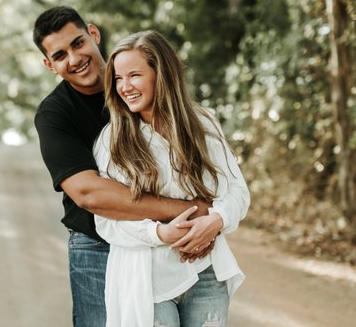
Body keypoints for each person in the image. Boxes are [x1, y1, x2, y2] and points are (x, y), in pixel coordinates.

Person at [32, 7, 213, 327]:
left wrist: (205, 218)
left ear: (93, 34)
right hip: (97, 248)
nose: (74, 59)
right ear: (50, 65)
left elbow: (190, 152)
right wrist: (186, 210)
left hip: (171, 239)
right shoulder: (54, 114)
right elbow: (89, 194)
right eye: (60, 55)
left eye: (78, 43)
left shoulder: (140, 83)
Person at [93, 30, 250, 327]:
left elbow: (237, 192)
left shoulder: (202, 124)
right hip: (147, 280)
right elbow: (107, 221)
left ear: (161, 74)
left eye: (134, 75)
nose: (125, 87)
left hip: (206, 274)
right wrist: (160, 234)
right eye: (118, 78)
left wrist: (215, 220)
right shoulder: (112, 141)